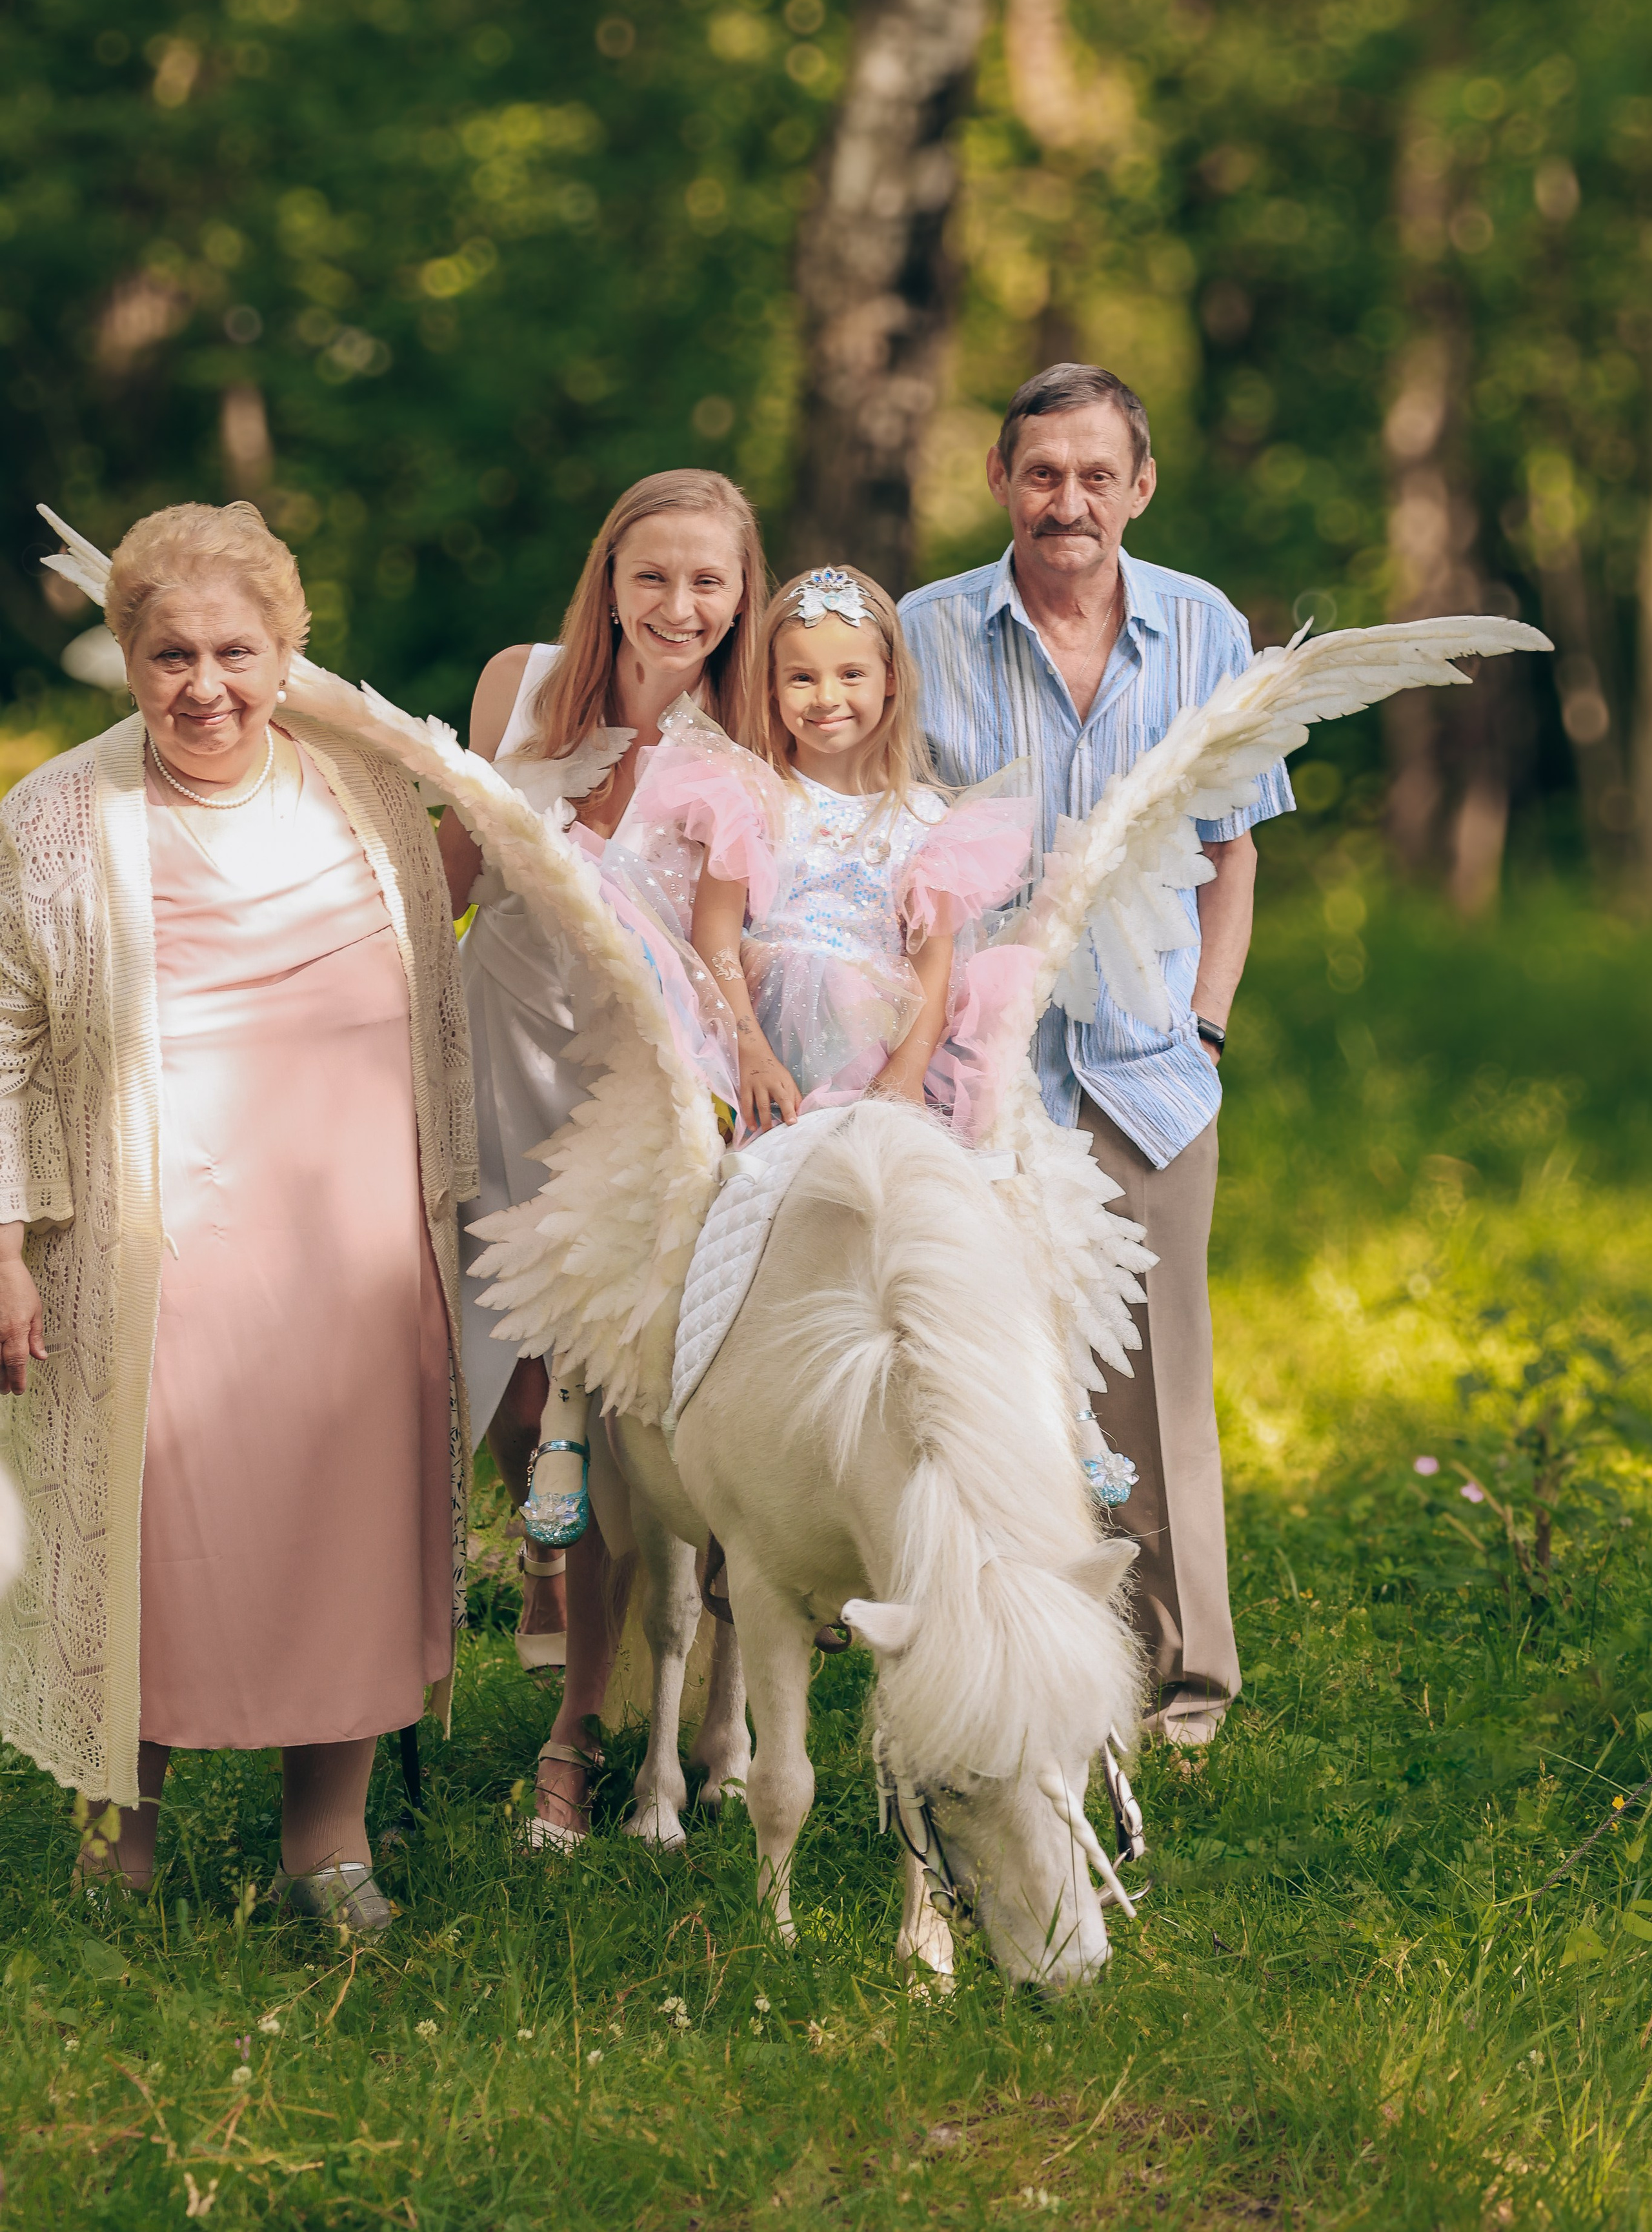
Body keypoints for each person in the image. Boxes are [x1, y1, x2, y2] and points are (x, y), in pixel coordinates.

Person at [0, 500, 475, 1923]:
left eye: (235, 653)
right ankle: (115, 1847)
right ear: (128, 656)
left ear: (287, 655)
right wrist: (5, 1242)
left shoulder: (370, 793)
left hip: (353, 1243)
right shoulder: (58, 818)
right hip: (153, 1245)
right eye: (170, 656)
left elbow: (454, 949)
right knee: (147, 1539)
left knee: (349, 1531)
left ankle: (328, 1847)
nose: (205, 686)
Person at [900, 363, 1295, 1747]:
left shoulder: (1204, 629)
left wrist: (1206, 1020)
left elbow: (1232, 848)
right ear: (1000, 480)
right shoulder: (921, 632)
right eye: (1041, 473)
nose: (1067, 500)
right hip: (973, 1067)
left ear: (1141, 487)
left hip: (1144, 1061)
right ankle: (1000, 1663)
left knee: (1151, 1374)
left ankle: (1182, 1682)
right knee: (979, 1366)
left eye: (1095, 475)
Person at [436, 467, 765, 1845]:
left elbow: (739, 941)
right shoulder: (518, 686)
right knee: (495, 1365)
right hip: (496, 1043)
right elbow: (447, 876)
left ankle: (591, 1701)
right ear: (610, 581)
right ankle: (532, 1554)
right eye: (653, 576)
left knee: (599, 1393)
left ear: (741, 594)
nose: (679, 604)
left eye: (708, 581)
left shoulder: (746, 742)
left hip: (635, 1083)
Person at [627, 565, 1033, 1139]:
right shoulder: (750, 798)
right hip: (763, 1037)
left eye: (851, 674)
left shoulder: (925, 821)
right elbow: (714, 937)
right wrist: (750, 1051)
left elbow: (931, 961)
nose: (826, 697)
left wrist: (908, 1070)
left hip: (879, 1047)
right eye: (801, 677)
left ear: (889, 679)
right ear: (771, 685)